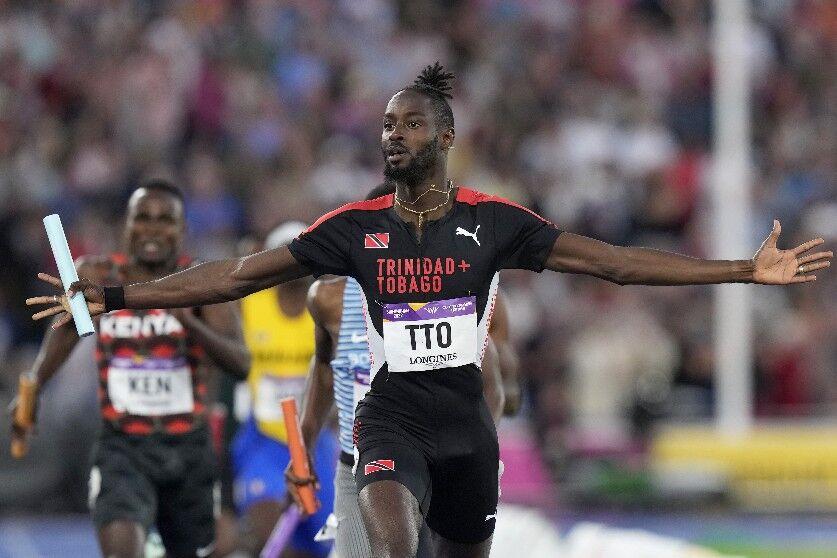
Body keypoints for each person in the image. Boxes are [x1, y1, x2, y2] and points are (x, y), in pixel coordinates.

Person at [28, 63, 832, 558]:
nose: (392, 135)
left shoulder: (495, 223)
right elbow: (235, 275)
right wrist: (115, 293)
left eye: (409, 123)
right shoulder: (351, 230)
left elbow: (616, 265)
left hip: (464, 429)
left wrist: (741, 272)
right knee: (388, 542)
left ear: (444, 136)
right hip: (387, 421)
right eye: (384, 124)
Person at [15, 179, 250, 558]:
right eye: (143, 218)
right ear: (126, 225)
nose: (152, 229)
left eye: (164, 220)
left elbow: (241, 364)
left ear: (182, 229)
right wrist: (34, 385)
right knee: (122, 548)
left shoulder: (201, 282)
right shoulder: (98, 275)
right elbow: (66, 333)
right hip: (122, 447)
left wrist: (189, 323)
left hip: (188, 448)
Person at [281, 183, 512, 558]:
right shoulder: (327, 298)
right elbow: (325, 368)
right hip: (357, 461)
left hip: (436, 461)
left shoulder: (448, 296)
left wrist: (471, 460)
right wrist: (303, 443)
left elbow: (491, 388)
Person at [231, 221, 337, 558]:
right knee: (268, 535)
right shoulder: (251, 303)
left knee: (321, 547)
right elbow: (224, 292)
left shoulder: (326, 308)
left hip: (315, 442)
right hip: (263, 439)